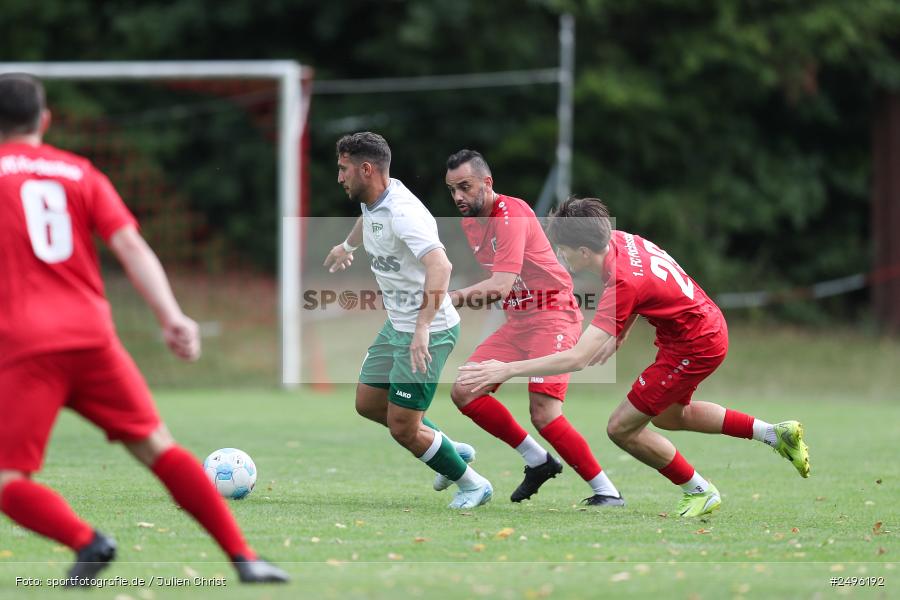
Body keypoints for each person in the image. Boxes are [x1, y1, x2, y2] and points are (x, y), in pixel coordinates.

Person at [0, 73, 288, 585]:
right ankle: (244, 557)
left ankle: (88, 542)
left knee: (8, 481)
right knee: (159, 447)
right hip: (93, 338)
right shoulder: (79, 172)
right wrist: (172, 316)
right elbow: (130, 245)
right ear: (44, 120)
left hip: (25, 345)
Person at [458, 197, 811, 517]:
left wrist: (506, 368)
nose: (561, 258)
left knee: (621, 428)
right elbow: (653, 288)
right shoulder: (622, 239)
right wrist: (622, 330)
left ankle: (700, 490)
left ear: (583, 250)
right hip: (703, 327)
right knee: (673, 416)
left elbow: (577, 357)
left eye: (563, 251)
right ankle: (773, 434)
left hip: (694, 344)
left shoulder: (621, 284)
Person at [323, 132, 492, 510]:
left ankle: (473, 484)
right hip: (399, 324)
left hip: (427, 331)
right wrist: (346, 247)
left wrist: (420, 329)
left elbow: (440, 265)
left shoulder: (404, 212)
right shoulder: (375, 198)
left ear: (366, 169)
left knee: (402, 427)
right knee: (368, 403)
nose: (339, 177)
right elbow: (368, 222)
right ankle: (446, 449)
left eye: (343, 169)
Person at [446, 150, 623, 506]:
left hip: (553, 314)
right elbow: (501, 287)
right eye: (452, 190)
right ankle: (538, 460)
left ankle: (607, 491)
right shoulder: (470, 224)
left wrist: (446, 298)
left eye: (465, 187)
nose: (458, 197)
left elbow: (497, 286)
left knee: (543, 412)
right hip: (519, 322)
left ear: (487, 183)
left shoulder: (512, 214)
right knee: (465, 390)